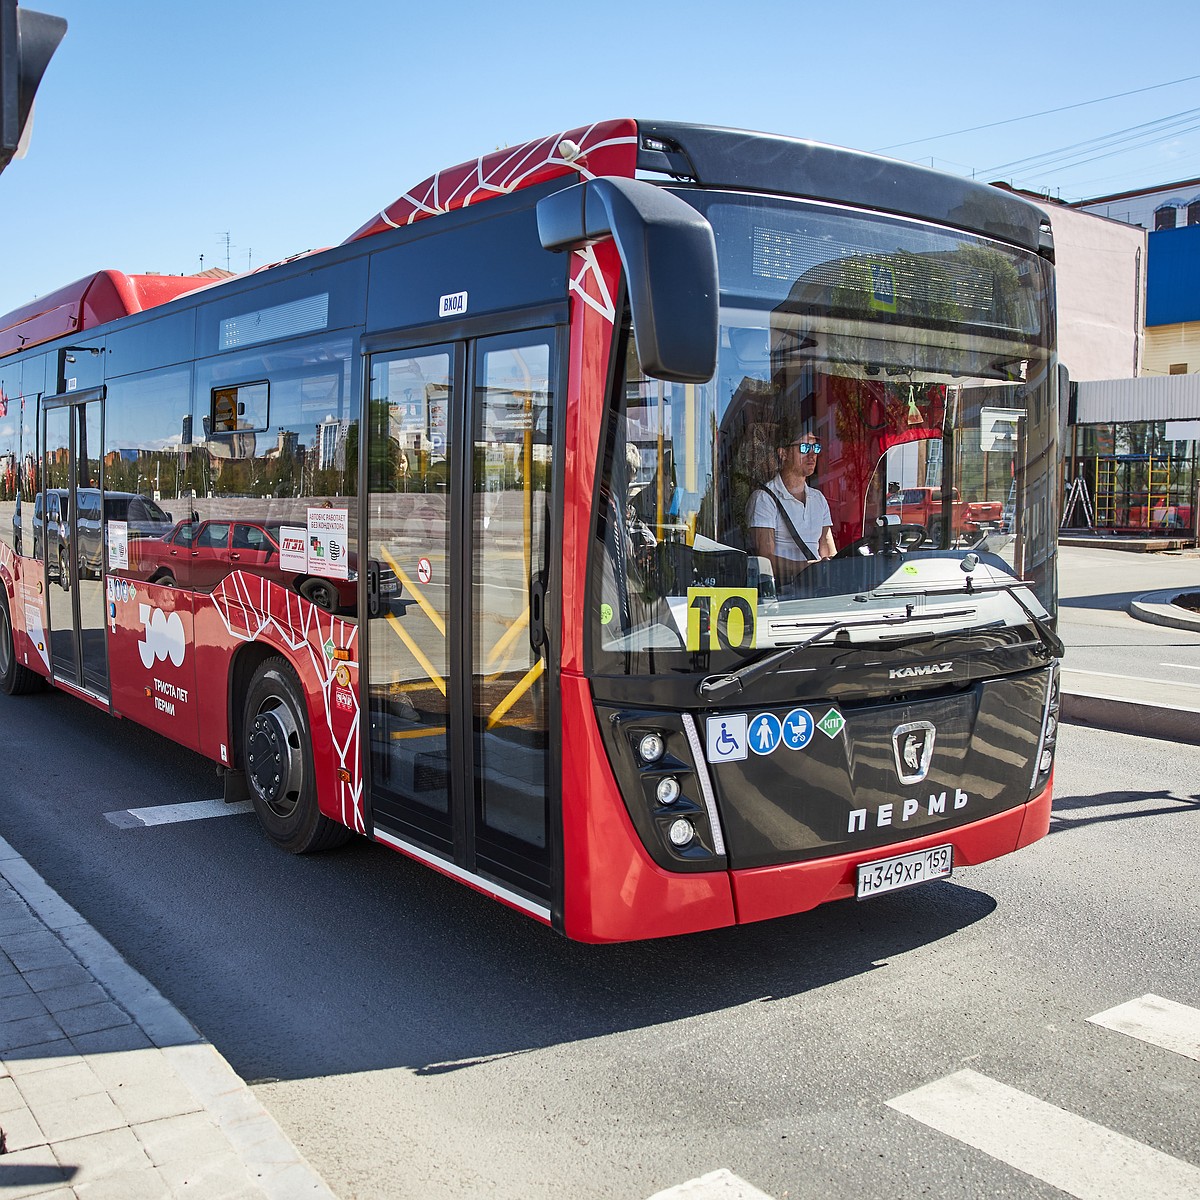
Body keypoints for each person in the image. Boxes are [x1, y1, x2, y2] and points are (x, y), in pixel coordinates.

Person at [746, 433, 835, 582]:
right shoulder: (764, 498)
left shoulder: (819, 498)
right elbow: (765, 560)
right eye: (805, 447)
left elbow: (829, 551)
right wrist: (809, 567)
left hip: (817, 589)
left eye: (816, 447)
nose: (812, 454)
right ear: (783, 453)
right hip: (783, 593)